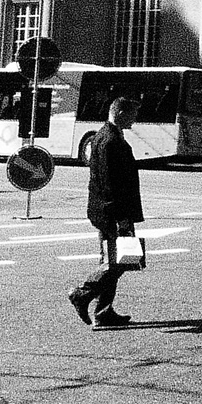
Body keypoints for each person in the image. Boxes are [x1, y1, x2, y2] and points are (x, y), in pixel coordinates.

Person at [70, 97, 142, 327]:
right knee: (119, 262)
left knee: (115, 258)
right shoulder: (109, 141)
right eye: (132, 114)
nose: (135, 119)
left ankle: (104, 312)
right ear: (119, 112)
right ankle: (82, 294)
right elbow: (110, 183)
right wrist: (121, 217)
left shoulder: (105, 136)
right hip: (112, 212)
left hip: (105, 211)